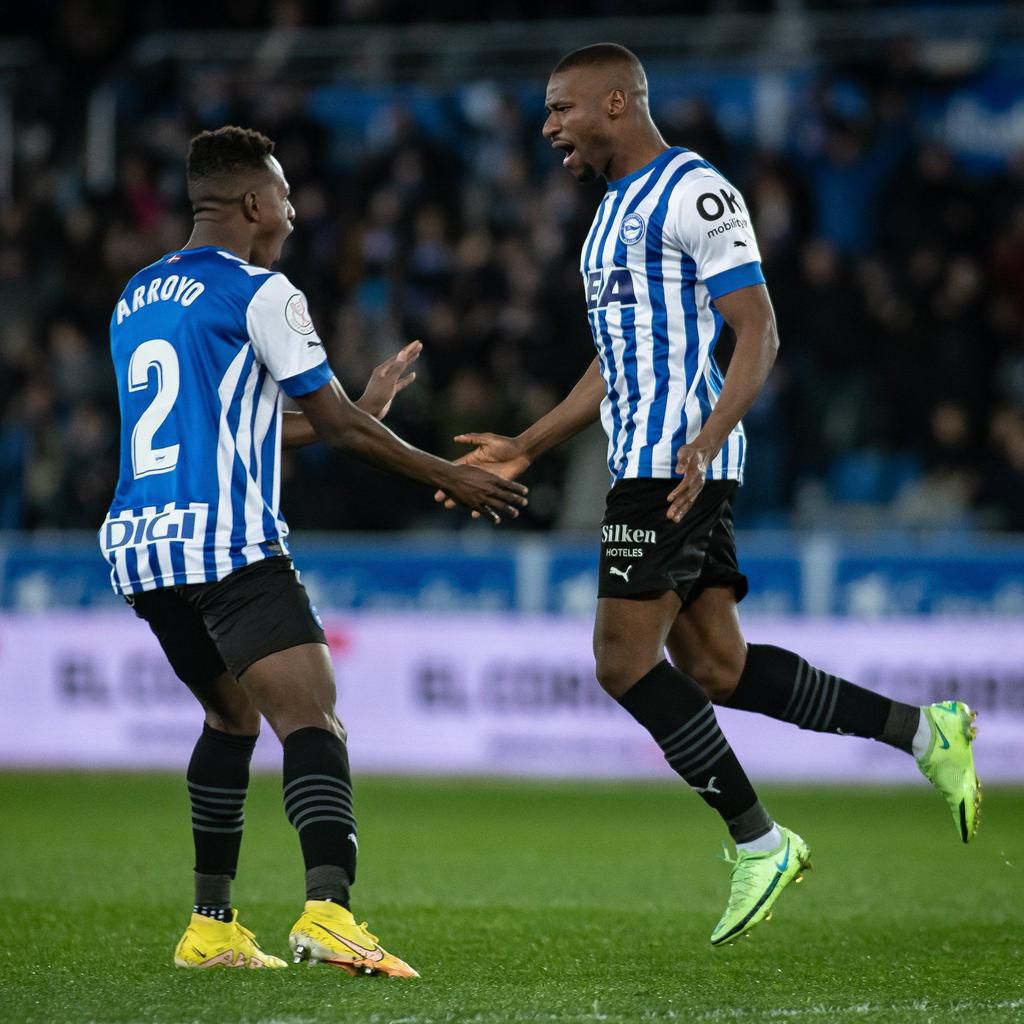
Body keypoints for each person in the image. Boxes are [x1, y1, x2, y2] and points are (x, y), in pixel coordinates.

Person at [439, 44, 980, 946]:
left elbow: (758, 329)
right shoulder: (604, 219)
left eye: (561, 109)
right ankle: (928, 733)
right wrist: (526, 446)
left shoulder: (696, 192)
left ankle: (760, 840)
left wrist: (709, 436)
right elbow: (614, 367)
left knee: (621, 660)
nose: (548, 129)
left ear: (617, 102)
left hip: (673, 467)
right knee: (718, 668)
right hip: (652, 461)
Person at [99, 125, 528, 974]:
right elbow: (332, 428)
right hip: (228, 542)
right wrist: (452, 474)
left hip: (143, 550)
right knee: (314, 717)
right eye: (286, 198)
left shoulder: (137, 295)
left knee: (231, 715)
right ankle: (329, 912)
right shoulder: (263, 292)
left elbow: (234, 428)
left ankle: (211, 927)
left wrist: (364, 403)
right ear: (253, 202)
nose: (293, 215)